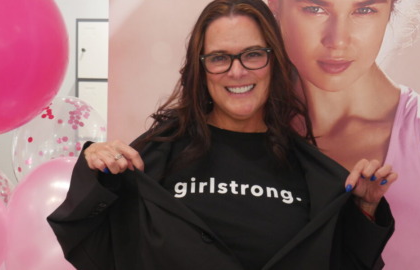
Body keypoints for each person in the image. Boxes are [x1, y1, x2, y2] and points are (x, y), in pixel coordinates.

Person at [48, 0, 396, 269]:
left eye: (253, 55)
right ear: (201, 68)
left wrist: (364, 211)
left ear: (274, 61)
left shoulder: (312, 173)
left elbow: (346, 263)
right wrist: (96, 174)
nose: (237, 71)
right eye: (219, 58)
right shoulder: (156, 156)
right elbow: (89, 242)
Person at [267, 0, 420, 269]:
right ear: (274, 5)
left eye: (364, 9)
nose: (338, 41)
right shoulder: (234, 139)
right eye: (315, 9)